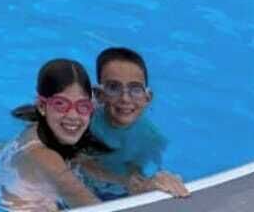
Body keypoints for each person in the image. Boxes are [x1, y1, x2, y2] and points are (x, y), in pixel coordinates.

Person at [0, 59, 110, 210]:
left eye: (83, 106)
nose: (73, 116)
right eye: (60, 104)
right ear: (42, 106)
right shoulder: (45, 158)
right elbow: (95, 207)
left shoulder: (42, 127)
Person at [81, 47, 190, 200]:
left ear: (147, 98)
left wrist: (148, 184)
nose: (125, 98)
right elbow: (79, 163)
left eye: (136, 89)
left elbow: (133, 173)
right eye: (113, 87)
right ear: (99, 94)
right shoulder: (82, 121)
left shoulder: (150, 138)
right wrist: (127, 181)